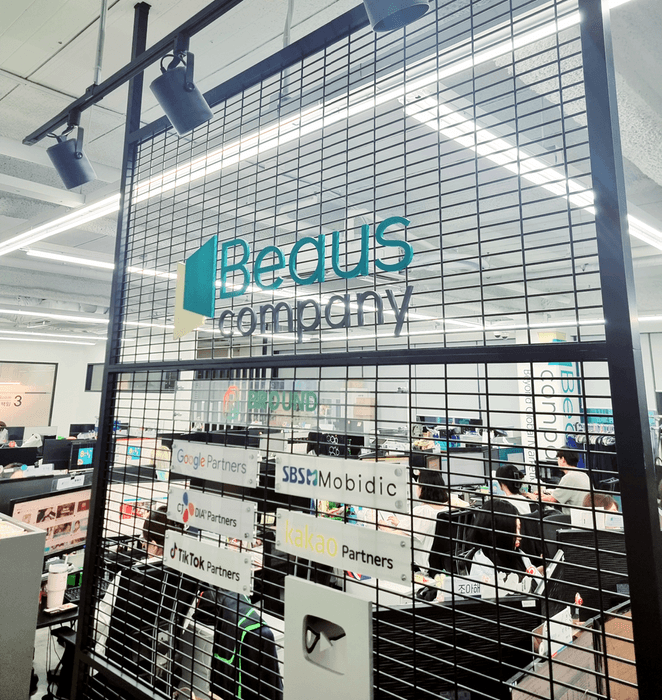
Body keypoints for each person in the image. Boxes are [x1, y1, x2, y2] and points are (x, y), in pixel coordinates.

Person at [468, 499, 540, 588]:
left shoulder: (519, 555)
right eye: (514, 530)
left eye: (519, 528)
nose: (519, 536)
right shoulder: (483, 567)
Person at [524, 449, 590, 515]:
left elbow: (553, 500)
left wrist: (534, 497)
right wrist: (543, 495)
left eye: (558, 458)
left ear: (563, 459)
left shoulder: (569, 477)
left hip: (572, 517)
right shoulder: (584, 475)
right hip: (585, 515)